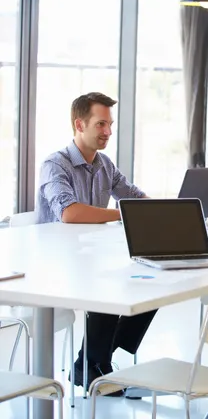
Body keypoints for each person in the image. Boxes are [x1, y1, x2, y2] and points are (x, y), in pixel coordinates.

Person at [36, 92, 157, 396]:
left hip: (92, 258)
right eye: (101, 124)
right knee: (113, 285)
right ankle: (93, 365)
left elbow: (135, 196)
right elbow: (69, 212)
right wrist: (122, 214)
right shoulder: (55, 164)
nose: (108, 132)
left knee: (154, 281)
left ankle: (91, 361)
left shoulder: (104, 164)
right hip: (56, 263)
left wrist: (163, 210)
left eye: (110, 124)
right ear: (79, 124)